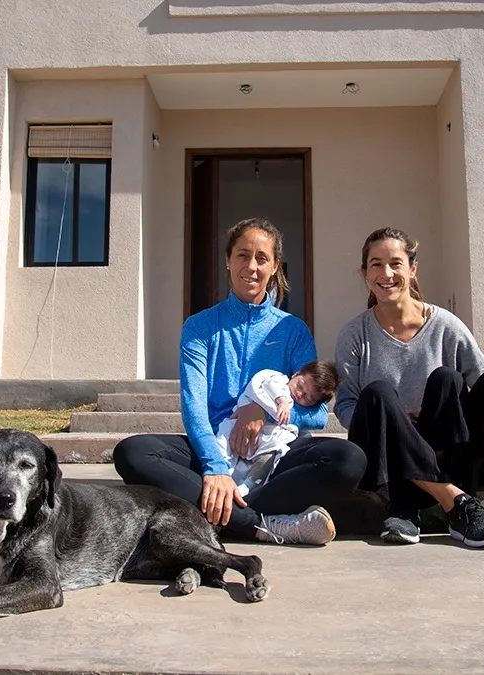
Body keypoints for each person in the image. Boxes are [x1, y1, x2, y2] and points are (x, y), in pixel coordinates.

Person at [114, 218, 366, 545]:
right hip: (216, 442)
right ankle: (259, 524)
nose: (251, 266)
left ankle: (217, 515)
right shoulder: (200, 327)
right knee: (133, 452)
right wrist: (215, 468)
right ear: (228, 260)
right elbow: (194, 407)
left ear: (275, 266)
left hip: (275, 451)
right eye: (242, 256)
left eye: (262, 258)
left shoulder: (293, 330)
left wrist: (262, 413)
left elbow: (318, 414)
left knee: (349, 460)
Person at [333, 227, 484, 547]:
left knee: (448, 378)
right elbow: (346, 404)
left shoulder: (446, 325)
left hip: (440, 451)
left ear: (413, 268)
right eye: (376, 264)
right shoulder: (354, 334)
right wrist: (393, 425)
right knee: (377, 392)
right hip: (384, 463)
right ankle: (452, 504)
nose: (386, 273)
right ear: (364, 273)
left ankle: (408, 511)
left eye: (396, 263)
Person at [216, 360, 340, 497]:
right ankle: (220, 476)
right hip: (238, 425)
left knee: (269, 457)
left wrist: (267, 413)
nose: (300, 394)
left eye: (308, 398)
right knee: (223, 446)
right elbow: (266, 384)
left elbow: (320, 419)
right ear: (296, 374)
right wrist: (281, 400)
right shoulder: (279, 380)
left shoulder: (297, 406)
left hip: (267, 436)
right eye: (300, 386)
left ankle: (248, 486)